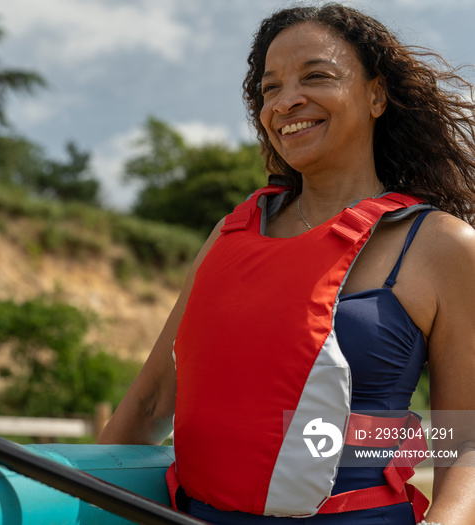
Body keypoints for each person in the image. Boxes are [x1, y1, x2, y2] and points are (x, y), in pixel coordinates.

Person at [98, 3, 475, 525]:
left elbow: (466, 439)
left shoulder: (441, 245)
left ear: (377, 94)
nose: (286, 101)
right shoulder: (230, 233)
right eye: (269, 88)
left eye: (316, 76)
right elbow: (150, 404)